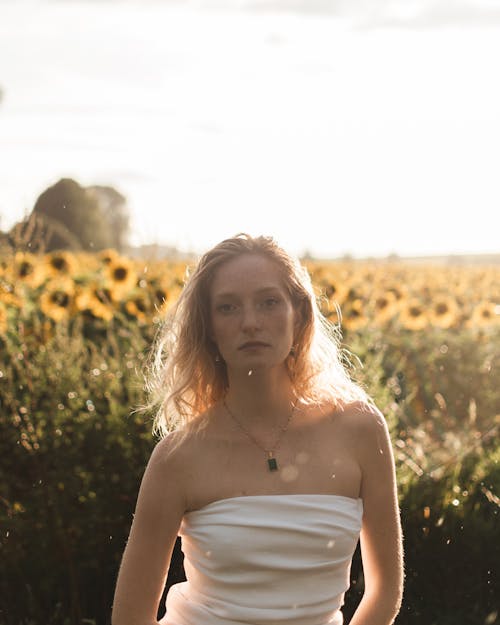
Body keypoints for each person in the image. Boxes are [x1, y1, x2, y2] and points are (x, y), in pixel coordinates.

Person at [112, 233, 404, 625]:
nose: (251, 322)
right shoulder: (178, 457)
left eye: (268, 302)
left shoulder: (360, 430)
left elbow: (385, 591)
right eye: (228, 307)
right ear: (209, 327)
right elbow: (131, 616)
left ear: (298, 314)